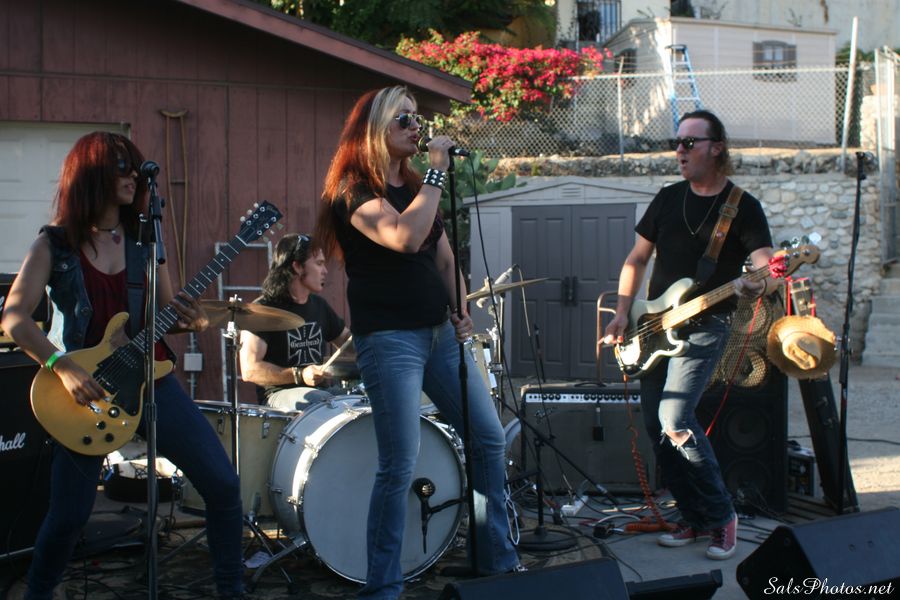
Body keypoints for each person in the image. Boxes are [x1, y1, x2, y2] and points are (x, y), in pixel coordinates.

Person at [1, 132, 245, 599]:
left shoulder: (145, 241)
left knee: (222, 485)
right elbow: (14, 318)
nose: (133, 175)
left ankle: (231, 590)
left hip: (152, 380)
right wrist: (61, 366)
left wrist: (190, 319)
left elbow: (166, 314)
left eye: (134, 166)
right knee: (69, 517)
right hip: (86, 391)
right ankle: (38, 593)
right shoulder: (54, 245)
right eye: (120, 167)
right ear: (89, 173)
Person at [316, 85, 521, 599]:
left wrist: (461, 309)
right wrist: (435, 174)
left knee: (488, 438)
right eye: (403, 119)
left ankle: (496, 561)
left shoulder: (414, 187)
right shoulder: (352, 190)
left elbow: (444, 258)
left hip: (439, 335)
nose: (416, 126)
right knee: (399, 464)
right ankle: (383, 586)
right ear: (375, 130)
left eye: (416, 117)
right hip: (390, 341)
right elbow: (404, 238)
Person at [602, 110, 776, 561]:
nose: (679, 150)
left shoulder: (742, 206)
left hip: (705, 326)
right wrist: (621, 313)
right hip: (653, 326)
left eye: (689, 142)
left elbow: (766, 265)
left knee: (675, 418)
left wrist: (760, 282)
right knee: (655, 427)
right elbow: (636, 259)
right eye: (676, 142)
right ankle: (692, 516)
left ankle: (721, 516)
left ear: (716, 148)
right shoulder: (667, 198)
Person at [238, 232, 351, 409]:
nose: (325, 271)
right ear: (297, 266)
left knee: (360, 399)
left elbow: (347, 342)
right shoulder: (262, 310)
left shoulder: (319, 306)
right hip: (278, 395)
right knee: (322, 401)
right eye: (319, 263)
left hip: (320, 393)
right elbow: (250, 370)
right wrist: (299, 375)